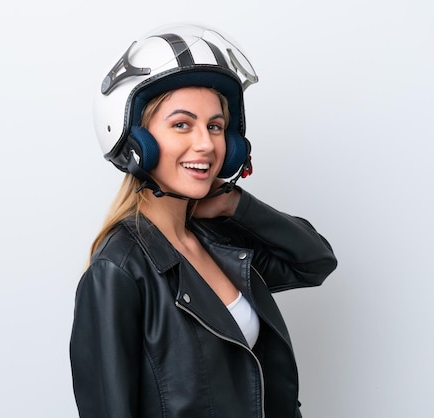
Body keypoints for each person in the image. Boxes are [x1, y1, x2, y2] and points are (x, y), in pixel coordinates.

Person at [70, 23, 337, 418]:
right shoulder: (118, 270)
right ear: (137, 142)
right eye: (182, 124)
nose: (206, 144)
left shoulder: (220, 240)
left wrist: (236, 205)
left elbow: (315, 262)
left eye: (215, 126)